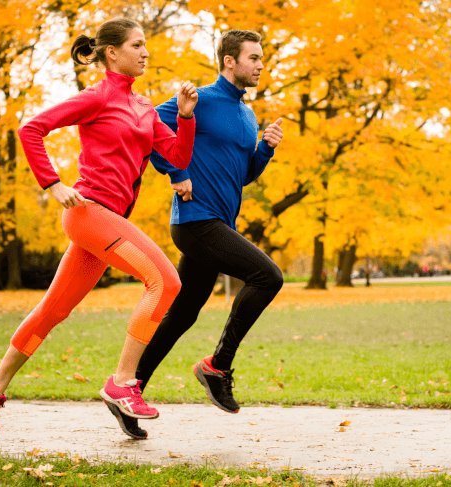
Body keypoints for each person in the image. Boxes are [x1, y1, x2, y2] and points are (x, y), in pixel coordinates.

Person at [0, 18, 199, 440]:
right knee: (165, 281)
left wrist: (185, 116)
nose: (146, 52)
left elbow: (178, 156)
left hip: (108, 222)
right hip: (87, 211)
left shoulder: (145, 107)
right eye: (137, 45)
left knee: (54, 309)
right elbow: (31, 129)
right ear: (112, 53)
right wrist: (52, 183)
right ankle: (123, 383)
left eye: (145, 45)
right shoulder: (95, 97)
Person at [107, 29, 284, 439]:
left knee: (183, 313)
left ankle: (128, 391)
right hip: (195, 221)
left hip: (218, 222)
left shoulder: (247, 114)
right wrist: (177, 173)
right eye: (253, 58)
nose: (260, 65)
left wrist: (265, 150)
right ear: (229, 61)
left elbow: (244, 176)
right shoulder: (200, 99)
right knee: (268, 276)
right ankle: (217, 366)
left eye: (261, 59)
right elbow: (150, 130)